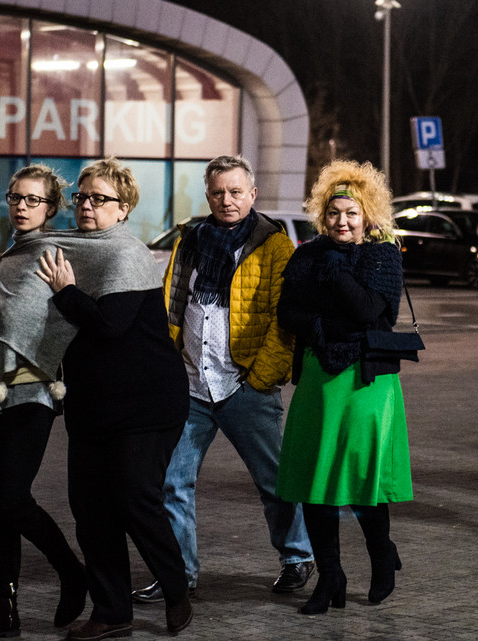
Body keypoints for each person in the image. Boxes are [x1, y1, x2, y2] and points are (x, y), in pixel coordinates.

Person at [130, 155, 313, 604]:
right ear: (207, 195)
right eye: (218, 192)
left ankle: (296, 557)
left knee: (273, 480)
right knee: (172, 482)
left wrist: (260, 378)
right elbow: (173, 300)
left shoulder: (274, 245)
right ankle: (178, 573)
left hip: (244, 385)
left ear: (252, 194)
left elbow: (283, 320)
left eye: (235, 192)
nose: (226, 200)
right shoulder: (190, 239)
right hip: (189, 385)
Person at [36, 158, 193, 639]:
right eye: (82, 197)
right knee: (90, 509)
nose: (87, 205)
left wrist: (65, 291)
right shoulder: (69, 246)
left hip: (147, 402)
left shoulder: (126, 255)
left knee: (133, 498)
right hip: (93, 402)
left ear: (123, 209)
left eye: (99, 199)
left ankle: (175, 588)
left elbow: (108, 326)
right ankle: (112, 612)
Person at [276, 160, 413, 614]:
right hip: (318, 374)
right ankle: (330, 575)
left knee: (358, 477)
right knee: (316, 478)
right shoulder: (307, 254)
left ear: (368, 214)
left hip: (365, 380)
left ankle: (381, 556)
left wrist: (334, 272)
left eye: (352, 213)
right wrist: (321, 324)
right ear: (322, 213)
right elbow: (287, 313)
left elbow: (371, 310)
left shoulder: (383, 254)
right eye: (334, 213)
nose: (342, 221)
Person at [0, 165, 87, 640]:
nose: (21, 206)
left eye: (33, 200)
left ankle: (71, 571)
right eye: (15, 197)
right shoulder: (10, 254)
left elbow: (62, 319)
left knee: (12, 498)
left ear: (51, 208)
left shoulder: (58, 254)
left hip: (34, 391)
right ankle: (3, 610)